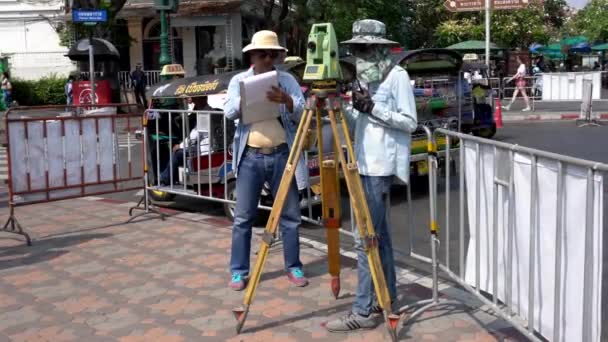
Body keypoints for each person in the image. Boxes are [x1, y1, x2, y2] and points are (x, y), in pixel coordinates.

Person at [324, 19, 418, 332]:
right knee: (380, 240)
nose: (359, 55)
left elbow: (409, 122)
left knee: (366, 240)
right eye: (356, 49)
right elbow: (361, 124)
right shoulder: (367, 81)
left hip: (379, 168)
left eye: (363, 49)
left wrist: (373, 108)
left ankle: (364, 310)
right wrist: (342, 106)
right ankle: (385, 295)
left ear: (379, 48)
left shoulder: (397, 76)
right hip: (361, 164)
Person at [223, 30, 308, 291]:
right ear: (252, 55)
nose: (269, 59)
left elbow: (304, 112)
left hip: (283, 154)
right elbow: (228, 112)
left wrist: (288, 101)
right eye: (263, 54)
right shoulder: (239, 80)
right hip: (250, 156)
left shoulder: (287, 80)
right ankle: (239, 271)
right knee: (243, 217)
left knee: (291, 215)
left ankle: (293, 266)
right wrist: (246, 98)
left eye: (273, 54)